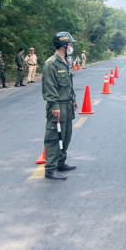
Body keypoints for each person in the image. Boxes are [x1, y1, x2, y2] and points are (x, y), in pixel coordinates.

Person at [41, 32, 78, 180]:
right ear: (63, 45)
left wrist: (73, 98)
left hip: (67, 104)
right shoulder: (51, 63)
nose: (71, 46)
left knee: (66, 135)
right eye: (69, 44)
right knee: (54, 137)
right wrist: (54, 105)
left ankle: (60, 162)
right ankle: (50, 168)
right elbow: (50, 87)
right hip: (58, 106)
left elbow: (68, 84)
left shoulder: (65, 61)